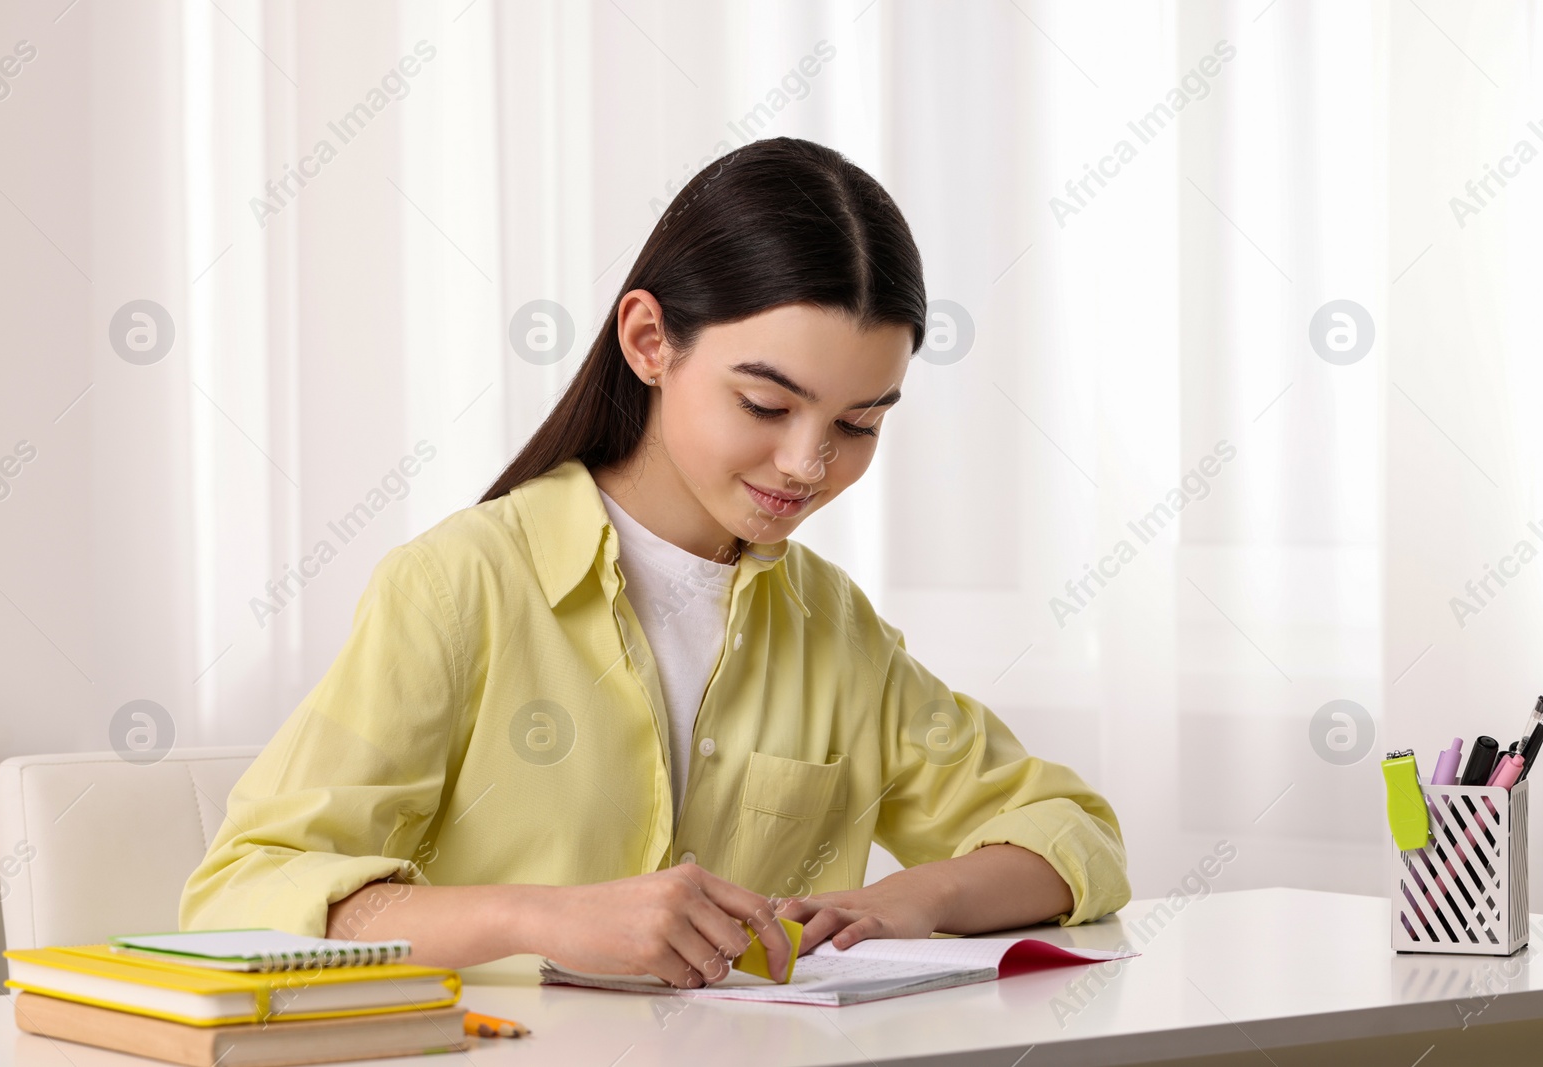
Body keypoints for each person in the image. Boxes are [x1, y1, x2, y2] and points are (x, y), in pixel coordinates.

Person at [180, 136, 1130, 989]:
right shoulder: (461, 585)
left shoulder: (832, 628)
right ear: (649, 341)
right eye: (765, 404)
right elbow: (242, 895)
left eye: (858, 423)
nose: (807, 463)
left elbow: (1070, 830)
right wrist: (537, 917)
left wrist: (919, 897)